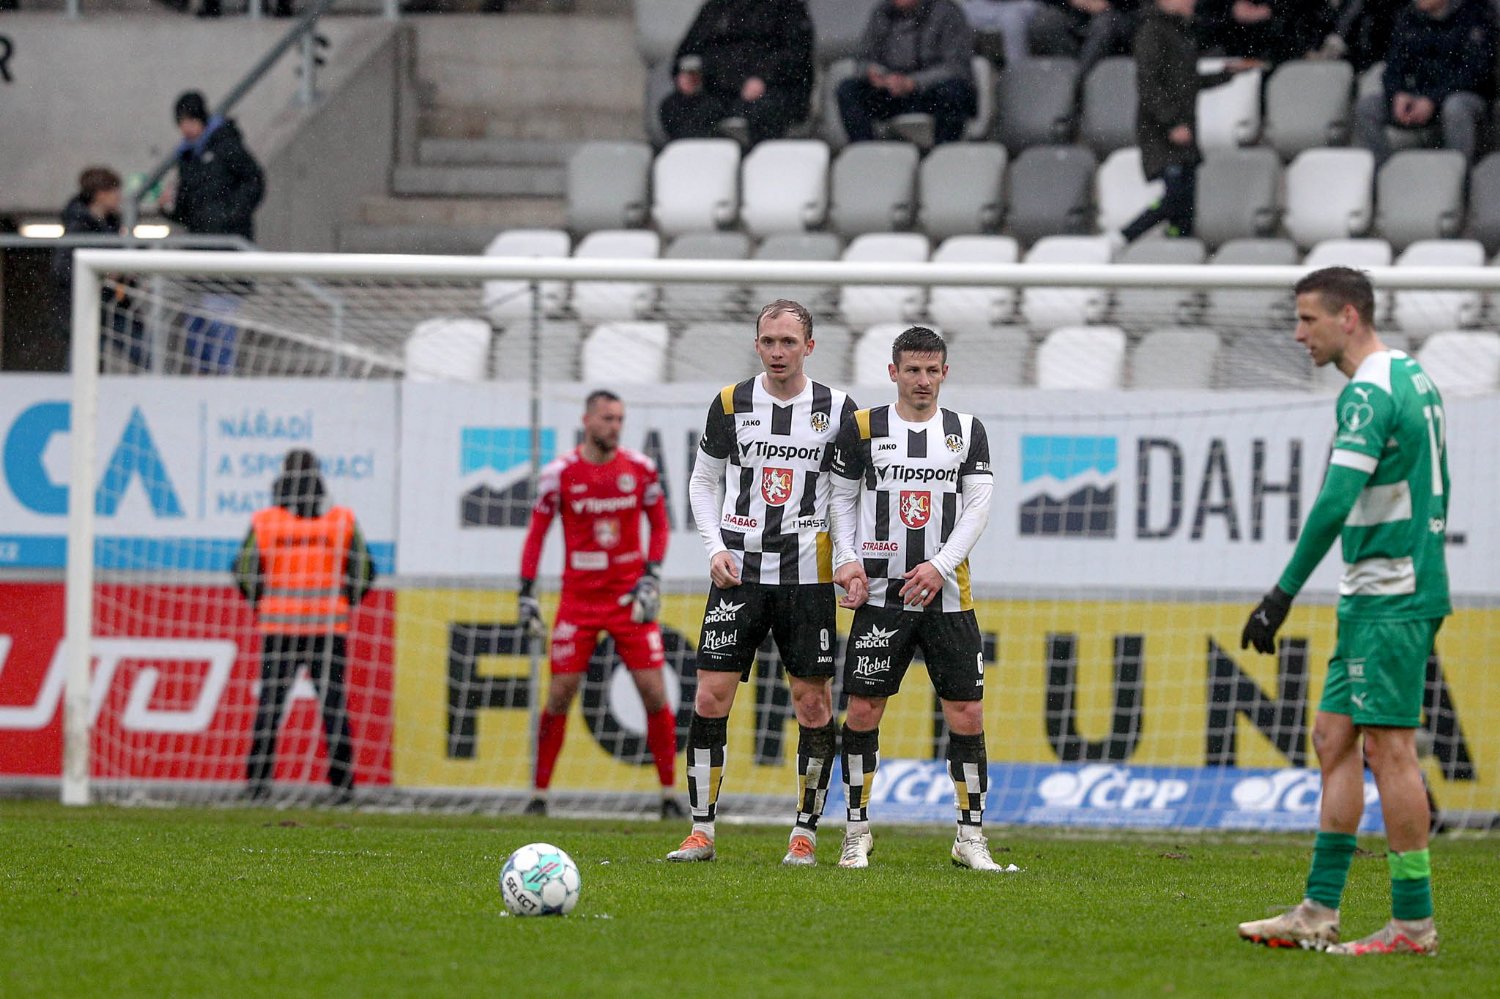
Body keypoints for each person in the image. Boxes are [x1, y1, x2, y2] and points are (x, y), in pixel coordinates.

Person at [1236, 267, 1450, 956]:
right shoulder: (1410, 375)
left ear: (1348, 317)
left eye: (1308, 319)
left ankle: (1412, 925)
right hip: (1377, 589)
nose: (1299, 334)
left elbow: (1334, 500)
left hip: (1393, 592)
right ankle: (1317, 911)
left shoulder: (1367, 392)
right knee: (1333, 737)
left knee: (1390, 749)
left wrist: (1281, 594)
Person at [666, 299, 858, 866]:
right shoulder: (731, 403)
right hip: (739, 574)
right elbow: (703, 481)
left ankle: (805, 833)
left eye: (788, 342)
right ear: (757, 344)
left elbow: (845, 497)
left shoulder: (838, 409)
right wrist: (714, 548)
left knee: (813, 704)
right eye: (769, 341)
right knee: (710, 695)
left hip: (807, 575)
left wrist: (846, 557)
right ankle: (701, 831)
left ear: (809, 347)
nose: (778, 352)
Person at [826, 326, 1001, 871]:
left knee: (966, 713)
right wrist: (845, 559)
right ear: (893, 372)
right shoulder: (863, 427)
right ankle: (856, 832)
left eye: (931, 370)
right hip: (881, 594)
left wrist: (939, 566)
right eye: (912, 370)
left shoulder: (966, 431)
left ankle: (970, 837)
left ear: (944, 372)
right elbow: (840, 499)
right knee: (862, 711)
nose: (922, 380)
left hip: (948, 596)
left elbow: (977, 509)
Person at [516, 390, 680, 818]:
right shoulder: (559, 474)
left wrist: (651, 576)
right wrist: (526, 592)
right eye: (607, 418)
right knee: (559, 695)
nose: (615, 426)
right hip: (579, 600)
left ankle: (669, 795)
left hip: (628, 599)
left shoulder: (640, 469)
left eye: (620, 419)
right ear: (587, 420)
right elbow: (536, 534)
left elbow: (660, 526)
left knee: (654, 692)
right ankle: (539, 795)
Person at [234, 449, 377, 804]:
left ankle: (258, 785)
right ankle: (343, 786)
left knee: (270, 707)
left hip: (279, 630)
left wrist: (263, 603)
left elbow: (244, 571)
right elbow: (364, 571)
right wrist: (343, 601)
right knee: (333, 706)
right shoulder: (341, 521)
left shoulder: (266, 521)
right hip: (327, 630)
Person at [1119, 0, 1258, 243]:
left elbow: (1187, 82)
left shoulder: (1180, 31)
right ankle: (1125, 235)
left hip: (1185, 129)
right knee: (1175, 197)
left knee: (1186, 206)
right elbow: (1149, 85)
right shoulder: (1151, 31)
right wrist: (1171, 123)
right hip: (1162, 132)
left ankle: (1176, 243)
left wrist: (1227, 73)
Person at [161, 90, 264, 374]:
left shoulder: (227, 146)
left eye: (190, 121)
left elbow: (255, 181)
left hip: (226, 255)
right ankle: (205, 381)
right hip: (199, 254)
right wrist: (168, 209)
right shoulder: (187, 156)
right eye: (181, 122)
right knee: (196, 329)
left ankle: (221, 381)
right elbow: (187, 210)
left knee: (220, 324)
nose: (186, 128)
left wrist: (230, 216)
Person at [1352, 0, 1497, 166]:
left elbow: (1474, 74)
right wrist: (1397, 94)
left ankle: (1458, 174)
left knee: (1455, 108)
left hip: (1461, 97)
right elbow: (1393, 67)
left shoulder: (1474, 15)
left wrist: (1433, 100)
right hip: (1419, 97)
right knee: (1366, 108)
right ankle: (1384, 172)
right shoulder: (1410, 17)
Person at [658, 0, 815, 147]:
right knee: (676, 108)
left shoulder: (786, 6)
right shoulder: (716, 7)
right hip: (716, 92)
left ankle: (754, 160)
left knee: (764, 112)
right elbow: (687, 51)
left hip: (769, 90)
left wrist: (764, 78)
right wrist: (685, 73)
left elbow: (798, 56)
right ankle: (703, 160)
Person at [837, 0, 978, 146]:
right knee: (848, 90)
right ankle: (867, 152)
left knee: (954, 92)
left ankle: (944, 152)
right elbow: (863, 58)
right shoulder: (882, 13)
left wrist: (912, 82)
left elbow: (956, 67)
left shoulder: (947, 12)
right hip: (892, 92)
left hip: (931, 91)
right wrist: (873, 73)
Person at [51, 167, 149, 370]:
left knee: (148, 353)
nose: (119, 197)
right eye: (115, 191)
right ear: (100, 194)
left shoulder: (113, 225)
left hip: (115, 305)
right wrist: (101, 275)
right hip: (87, 307)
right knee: (83, 363)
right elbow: (62, 269)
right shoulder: (78, 227)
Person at [1194, 0, 1334, 66]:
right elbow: (1200, 14)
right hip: (1230, 52)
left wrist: (1270, 10)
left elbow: (1317, 12)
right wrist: (1231, 11)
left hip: (1283, 53)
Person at [1028, 0, 1141, 78]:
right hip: (1073, 13)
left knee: (1104, 27)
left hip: (1117, 14)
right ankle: (1068, 79)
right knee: (1045, 24)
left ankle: (1078, 83)